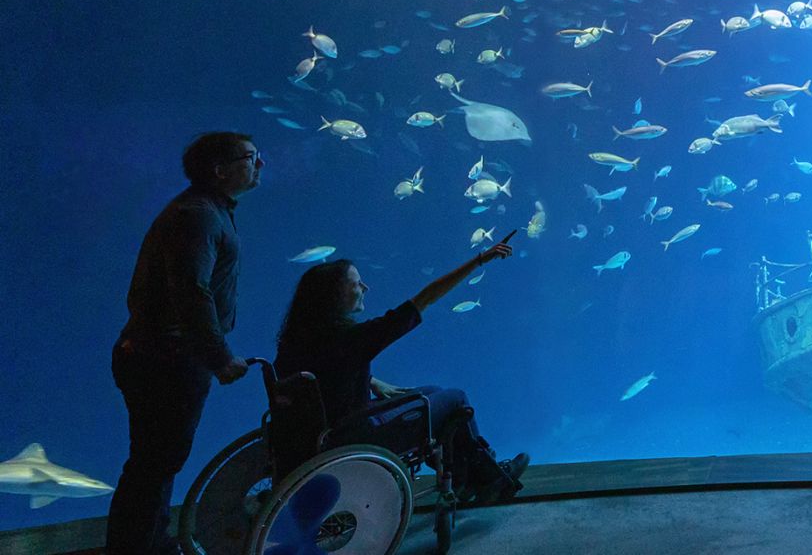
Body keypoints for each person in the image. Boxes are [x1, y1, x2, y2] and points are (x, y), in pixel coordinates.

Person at [273, 240, 528, 506]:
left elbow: (323, 373)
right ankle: (488, 479)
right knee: (455, 398)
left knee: (431, 391)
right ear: (335, 295)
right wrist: (478, 261)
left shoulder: (298, 340)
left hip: (325, 435)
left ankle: (469, 476)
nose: (365, 288)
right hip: (357, 437)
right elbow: (423, 300)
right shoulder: (349, 338)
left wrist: (370, 380)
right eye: (356, 284)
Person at [108, 132, 261, 555]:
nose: (260, 165)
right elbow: (192, 293)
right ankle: (138, 547)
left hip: (163, 356)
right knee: (153, 464)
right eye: (250, 157)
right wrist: (219, 358)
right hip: (167, 360)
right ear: (220, 170)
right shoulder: (197, 215)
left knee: (156, 462)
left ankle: (150, 542)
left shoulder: (210, 211)